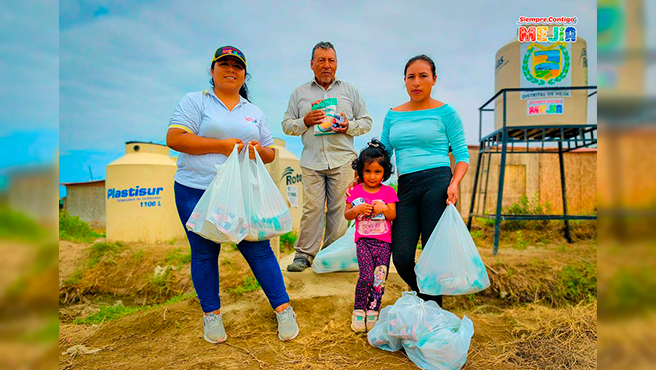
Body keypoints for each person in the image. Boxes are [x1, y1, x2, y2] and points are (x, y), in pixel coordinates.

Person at [166, 46, 299, 343]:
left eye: (236, 66)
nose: (230, 69)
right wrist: (222, 146)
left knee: (258, 248)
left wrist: (257, 151)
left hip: (242, 192)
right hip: (196, 188)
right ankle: (211, 315)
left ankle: (283, 309)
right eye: (223, 64)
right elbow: (175, 138)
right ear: (212, 71)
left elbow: (269, 153)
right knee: (203, 253)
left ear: (244, 74)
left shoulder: (254, 112)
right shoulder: (195, 101)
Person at [381, 54, 470, 307]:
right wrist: (364, 175)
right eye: (411, 77)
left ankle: (432, 314)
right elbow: (384, 154)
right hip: (405, 187)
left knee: (433, 256)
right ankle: (427, 301)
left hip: (437, 184)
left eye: (423, 76)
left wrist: (454, 184)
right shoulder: (393, 115)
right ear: (405, 81)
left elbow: (462, 155)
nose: (416, 82)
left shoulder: (446, 112)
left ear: (434, 80)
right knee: (402, 257)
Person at [282, 41, 373, 272]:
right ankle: (304, 255)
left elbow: (366, 122)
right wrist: (305, 121)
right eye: (321, 60)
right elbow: (286, 125)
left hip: (342, 159)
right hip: (312, 160)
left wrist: (347, 126)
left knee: (339, 209)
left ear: (336, 64)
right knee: (312, 208)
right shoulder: (299, 93)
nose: (326, 65)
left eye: (330, 60)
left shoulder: (350, 91)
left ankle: (330, 254)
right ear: (312, 64)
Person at [344, 139, 398, 332]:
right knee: (366, 276)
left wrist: (383, 207)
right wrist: (356, 208)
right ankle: (359, 309)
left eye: (377, 172)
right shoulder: (355, 191)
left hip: (384, 243)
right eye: (367, 171)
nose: (372, 176)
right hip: (364, 242)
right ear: (360, 171)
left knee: (378, 279)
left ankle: (373, 309)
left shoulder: (389, 192)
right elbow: (347, 214)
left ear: (385, 172)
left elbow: (392, 215)